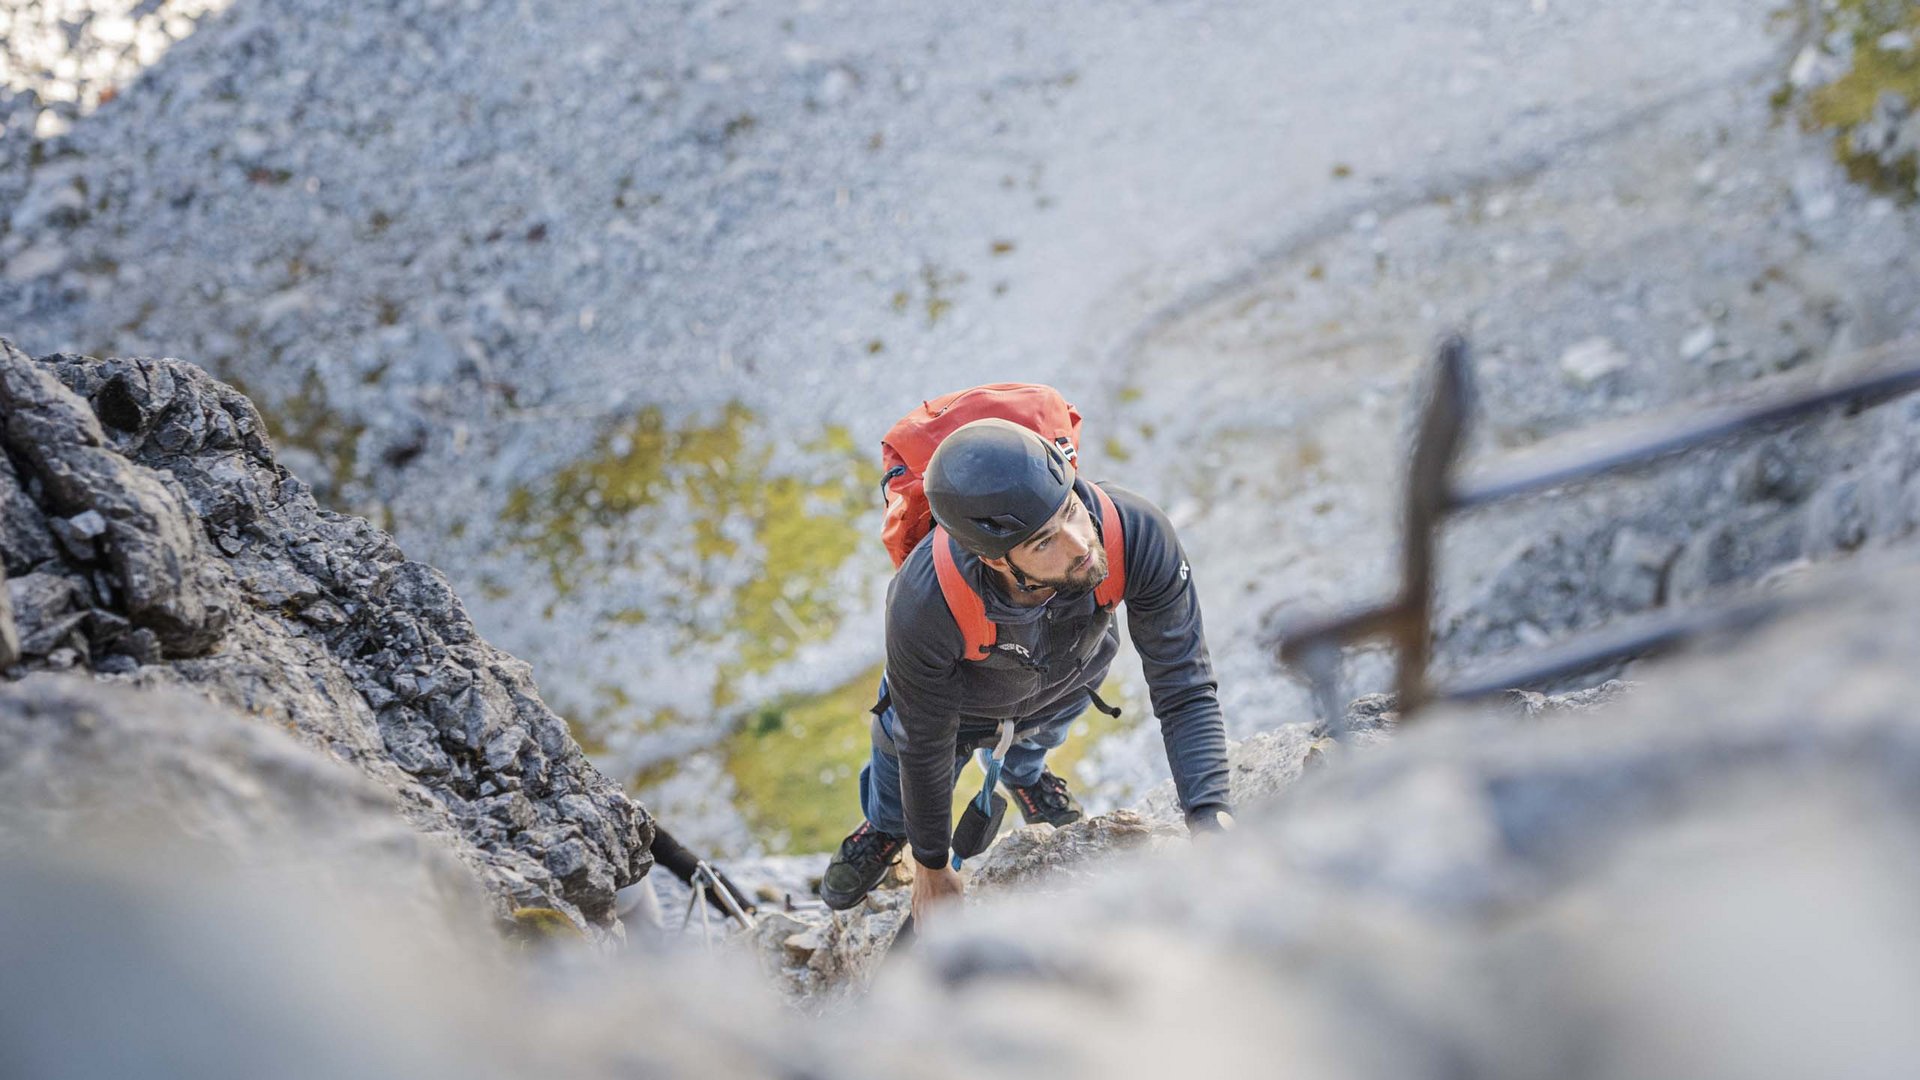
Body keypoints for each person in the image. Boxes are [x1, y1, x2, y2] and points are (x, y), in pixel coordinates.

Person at [818, 417, 1234, 923]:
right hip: (957, 710)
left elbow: (1184, 687)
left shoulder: (1135, 530)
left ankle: (1027, 778)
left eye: (1071, 511)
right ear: (992, 560)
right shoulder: (924, 603)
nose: (1080, 544)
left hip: (1066, 682)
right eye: (1043, 543)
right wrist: (930, 865)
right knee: (896, 793)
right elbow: (923, 742)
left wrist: (1210, 818)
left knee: (1035, 744)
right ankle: (884, 831)